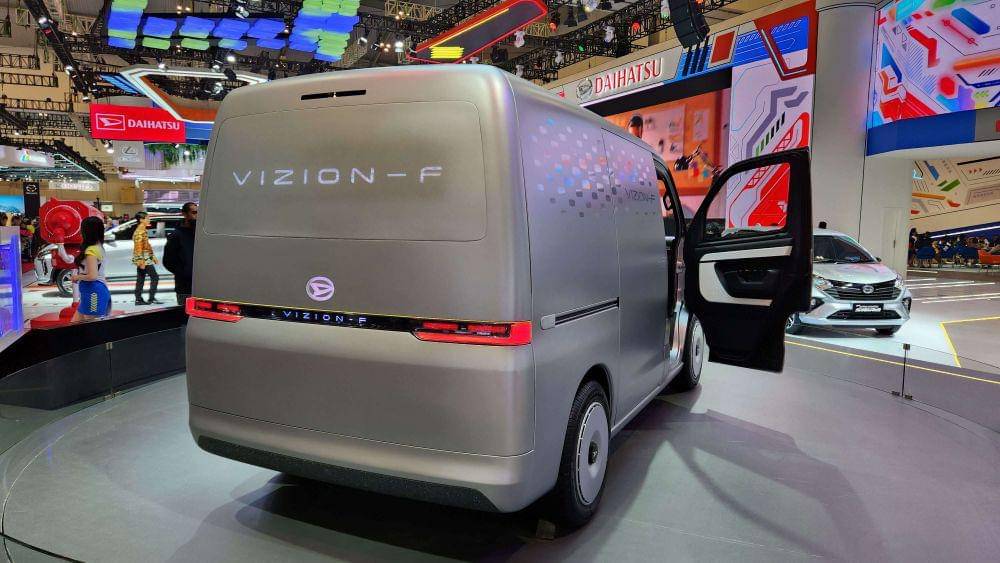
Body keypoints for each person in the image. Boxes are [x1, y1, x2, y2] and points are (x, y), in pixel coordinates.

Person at [70, 216, 111, 322]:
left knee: (92, 327)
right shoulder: (98, 246)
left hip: (93, 292)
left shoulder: (91, 250)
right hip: (92, 291)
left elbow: (93, 276)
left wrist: (76, 277)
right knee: (74, 324)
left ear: (86, 232)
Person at [163, 202, 197, 305]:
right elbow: (168, 261)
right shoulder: (176, 235)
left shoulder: (200, 234)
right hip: (185, 287)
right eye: (194, 212)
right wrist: (184, 272)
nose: (197, 216)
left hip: (202, 285)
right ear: (184, 214)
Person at [131, 211, 162, 305]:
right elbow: (138, 247)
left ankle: (139, 299)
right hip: (144, 258)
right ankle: (150, 298)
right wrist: (141, 261)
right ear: (141, 220)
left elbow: (146, 246)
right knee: (155, 277)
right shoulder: (140, 232)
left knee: (141, 278)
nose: (149, 220)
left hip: (145, 257)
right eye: (147, 218)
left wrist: (152, 256)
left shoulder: (142, 230)